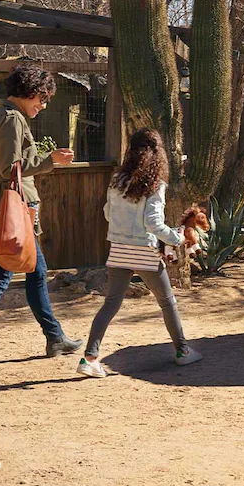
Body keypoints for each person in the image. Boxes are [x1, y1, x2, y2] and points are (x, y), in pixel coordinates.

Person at [0, 64, 81, 375]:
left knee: (37, 274)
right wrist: (52, 161)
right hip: (15, 209)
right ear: (32, 94)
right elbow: (12, 169)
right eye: (43, 99)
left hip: (9, 207)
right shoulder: (12, 120)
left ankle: (55, 337)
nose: (43, 105)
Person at [77, 128, 202, 378]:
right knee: (167, 302)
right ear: (157, 154)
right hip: (143, 251)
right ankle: (183, 351)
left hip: (118, 249)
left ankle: (89, 358)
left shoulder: (117, 180)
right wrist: (177, 237)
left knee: (110, 304)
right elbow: (153, 223)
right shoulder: (155, 185)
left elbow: (107, 213)